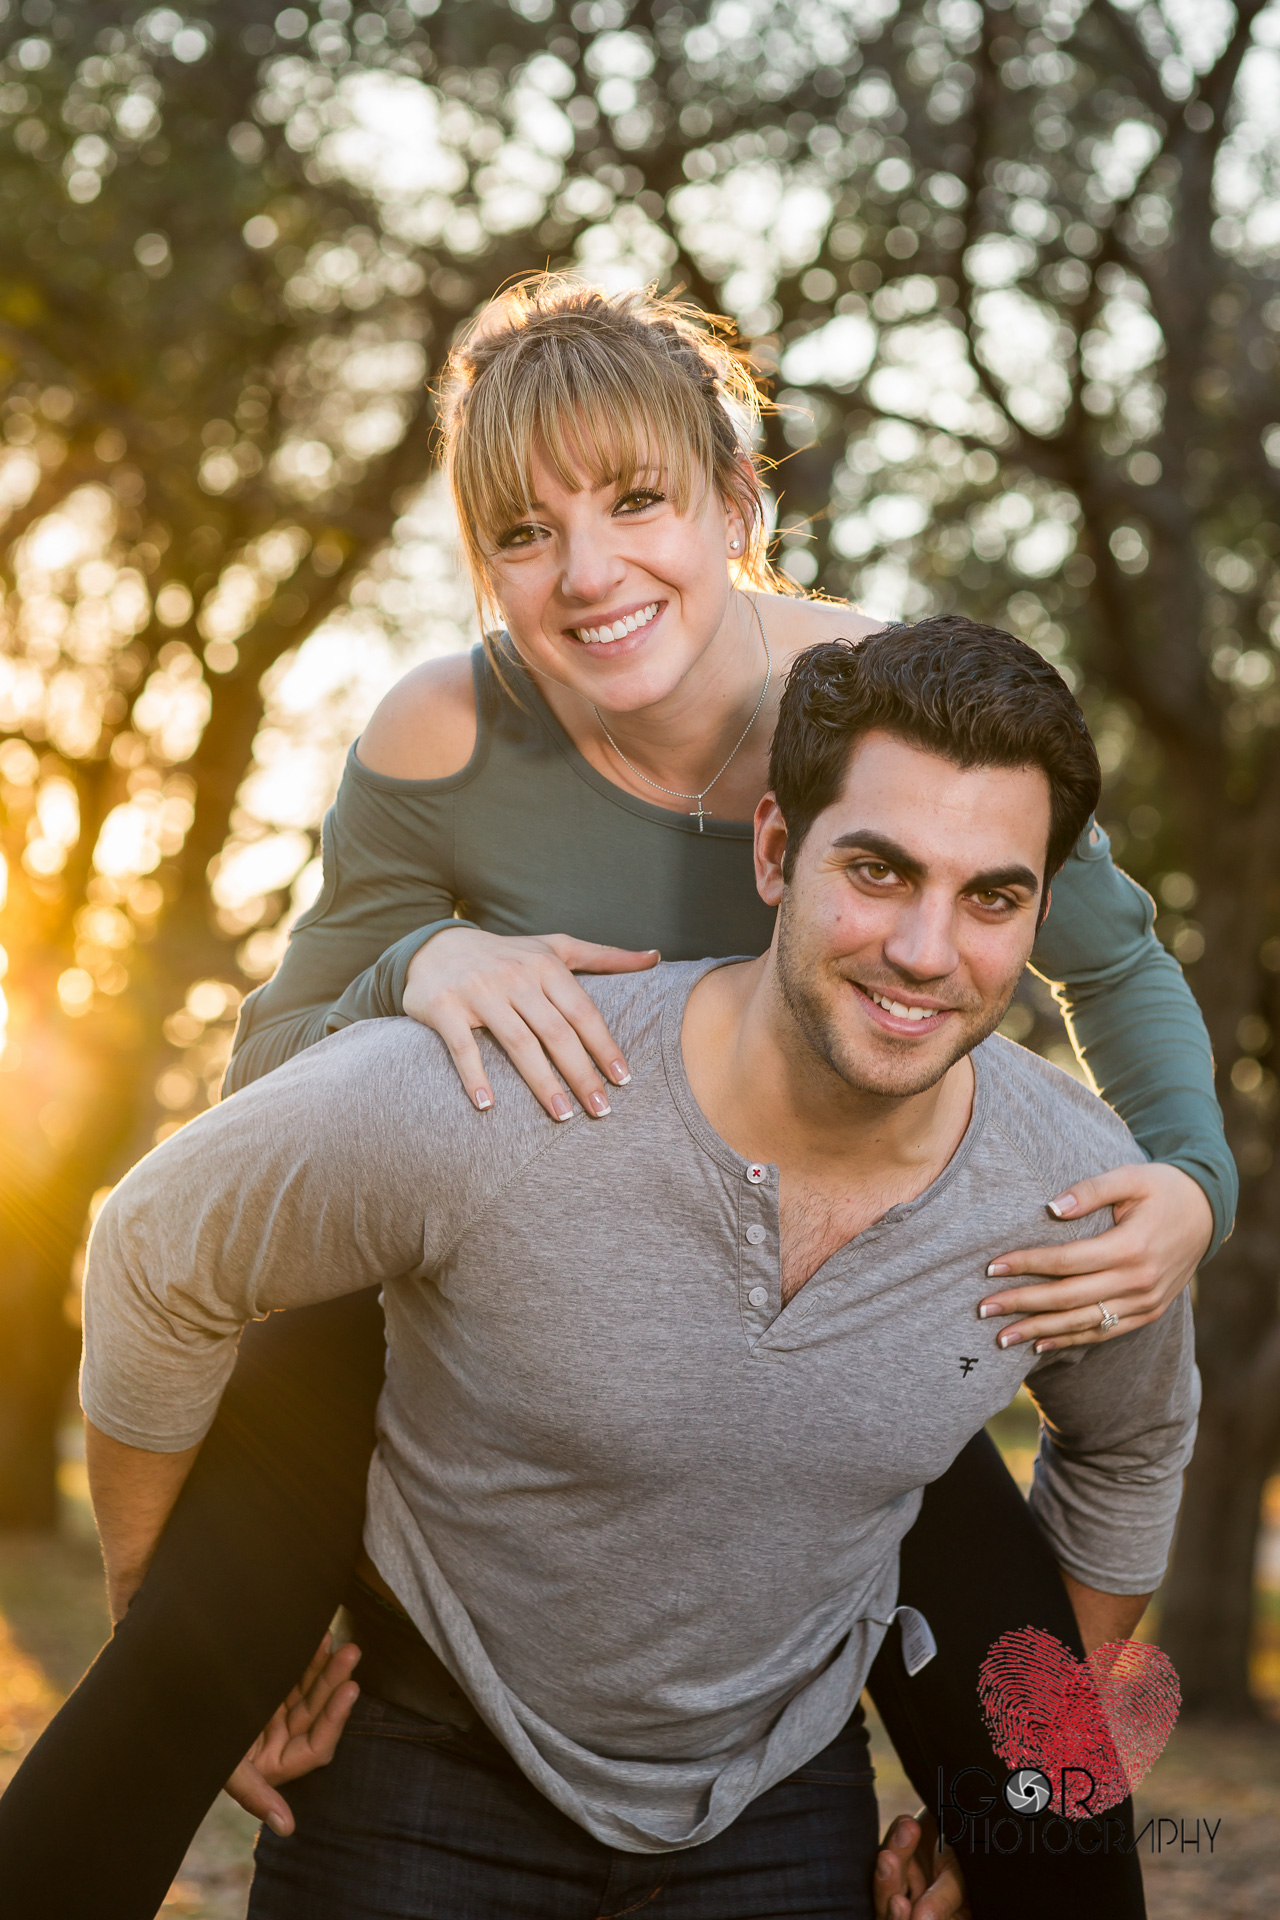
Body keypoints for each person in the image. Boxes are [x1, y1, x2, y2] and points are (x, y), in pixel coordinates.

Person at [0, 281, 1226, 1918]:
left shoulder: (894, 729)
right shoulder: (445, 731)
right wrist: (419, 968)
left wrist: (1191, 1186)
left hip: (829, 1286)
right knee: (160, 1688)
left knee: (1052, 1802)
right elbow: (273, 1094)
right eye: (522, 530)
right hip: (469, 1284)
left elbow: (1117, 968)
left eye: (638, 499)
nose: (587, 571)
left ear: (741, 501)